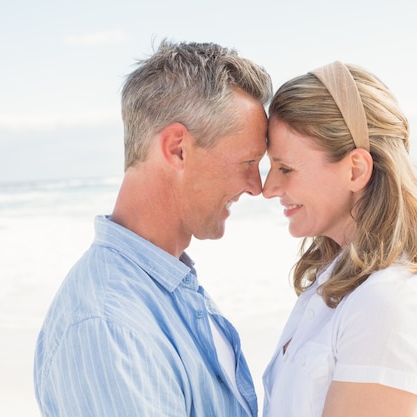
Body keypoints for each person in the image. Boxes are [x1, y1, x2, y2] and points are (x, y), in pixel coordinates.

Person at [34, 40, 272, 417]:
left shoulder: (167, 287)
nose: (255, 186)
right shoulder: (110, 328)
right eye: (247, 161)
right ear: (177, 148)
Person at [261, 61, 417, 417]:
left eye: (286, 168)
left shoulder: (391, 300)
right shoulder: (343, 282)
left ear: (355, 169)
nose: (268, 188)